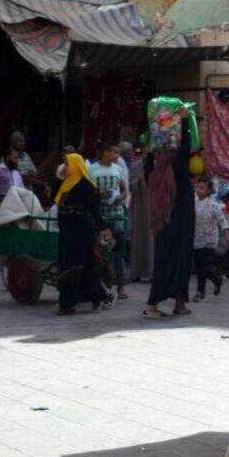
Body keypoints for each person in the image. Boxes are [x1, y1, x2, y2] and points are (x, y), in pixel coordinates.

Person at [144, 106, 195, 319]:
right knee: (179, 261)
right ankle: (154, 305)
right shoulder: (175, 171)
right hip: (179, 222)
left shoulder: (154, 171)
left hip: (163, 224)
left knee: (165, 261)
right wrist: (183, 124)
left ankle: (177, 304)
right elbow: (184, 150)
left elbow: (178, 152)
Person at [54, 153, 114, 315]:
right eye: (64, 164)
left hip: (80, 231)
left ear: (76, 165)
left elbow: (94, 211)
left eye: (67, 164)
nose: (64, 168)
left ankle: (68, 303)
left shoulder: (86, 186)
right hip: (67, 231)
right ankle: (96, 295)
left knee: (76, 267)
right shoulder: (66, 184)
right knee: (75, 266)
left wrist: (103, 228)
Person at [88, 141, 129, 299]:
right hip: (100, 217)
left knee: (118, 252)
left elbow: (124, 189)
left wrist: (122, 197)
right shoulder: (91, 169)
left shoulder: (118, 169)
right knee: (101, 253)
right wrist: (99, 195)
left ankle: (120, 287)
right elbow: (89, 193)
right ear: (105, 152)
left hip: (116, 215)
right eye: (115, 152)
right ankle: (103, 286)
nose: (117, 156)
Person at [191, 177, 229, 302]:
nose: (198, 190)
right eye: (197, 187)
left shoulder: (213, 205)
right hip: (196, 237)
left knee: (201, 265)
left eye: (202, 188)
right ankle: (217, 279)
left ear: (208, 191)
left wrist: (227, 236)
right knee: (201, 265)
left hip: (209, 239)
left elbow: (222, 221)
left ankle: (201, 291)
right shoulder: (193, 201)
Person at [127, 138, 153, 282]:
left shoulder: (158, 167)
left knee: (152, 241)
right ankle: (136, 272)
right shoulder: (136, 166)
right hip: (139, 208)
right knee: (138, 239)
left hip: (154, 207)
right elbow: (129, 185)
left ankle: (151, 272)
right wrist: (139, 180)